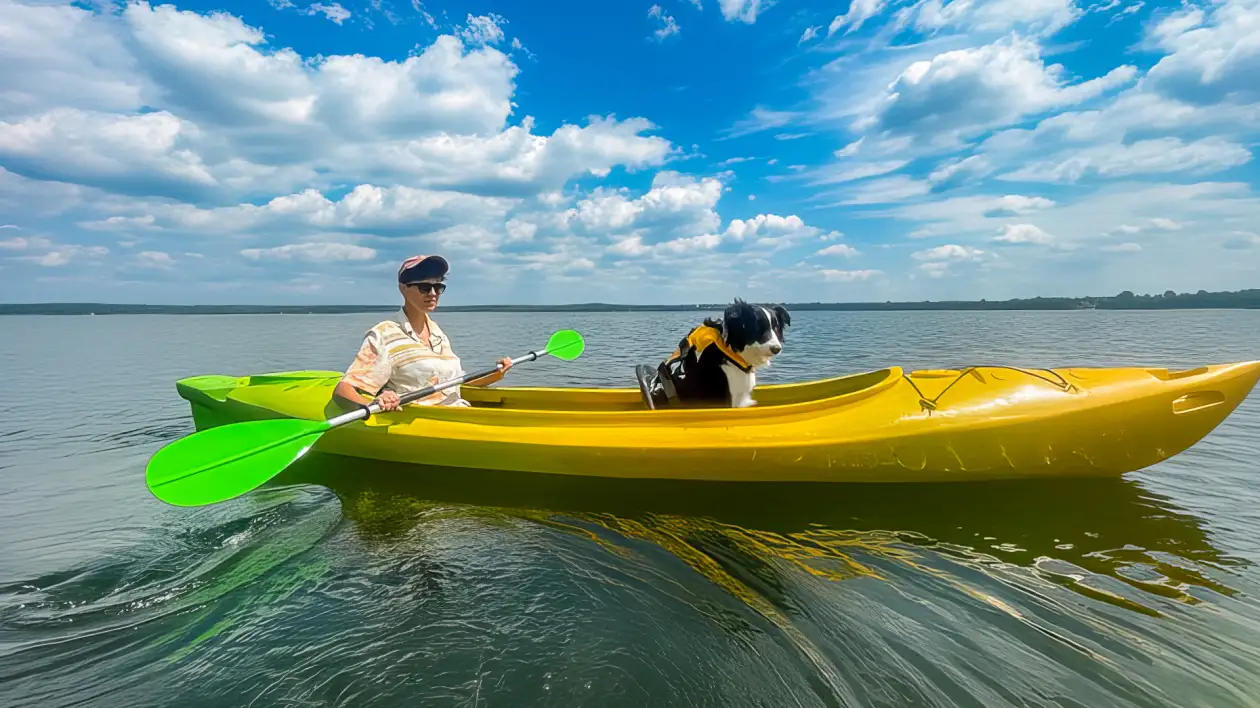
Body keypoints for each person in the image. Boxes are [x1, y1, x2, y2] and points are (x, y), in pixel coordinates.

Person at [331, 254, 514, 413]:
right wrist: (373, 404)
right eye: (424, 288)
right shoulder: (384, 334)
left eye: (438, 287)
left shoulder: (438, 334)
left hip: (458, 413)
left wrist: (495, 375)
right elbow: (343, 391)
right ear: (403, 288)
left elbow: (451, 386)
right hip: (421, 421)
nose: (433, 294)